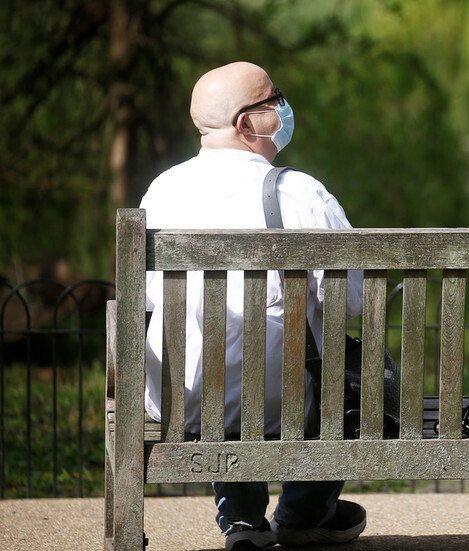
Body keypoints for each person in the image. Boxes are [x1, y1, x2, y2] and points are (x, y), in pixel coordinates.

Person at [140, 61, 367, 551]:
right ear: (246, 123)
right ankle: (304, 514)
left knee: (229, 377)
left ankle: (242, 520)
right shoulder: (301, 193)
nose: (284, 108)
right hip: (283, 403)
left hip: (179, 398)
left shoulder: (161, 192)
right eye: (274, 99)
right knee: (342, 384)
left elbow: (152, 297)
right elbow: (350, 301)